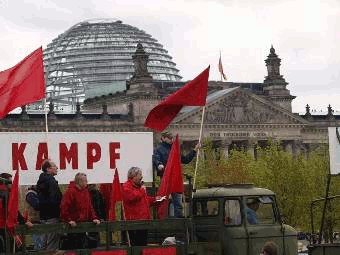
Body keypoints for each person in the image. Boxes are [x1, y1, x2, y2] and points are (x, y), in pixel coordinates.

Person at [153, 131, 200, 218]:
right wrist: (159, 165)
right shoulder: (159, 149)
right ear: (163, 138)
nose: (171, 139)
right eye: (169, 138)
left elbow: (185, 159)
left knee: (178, 203)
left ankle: (178, 221)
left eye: (172, 138)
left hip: (175, 179)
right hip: (165, 179)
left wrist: (194, 150)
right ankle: (162, 220)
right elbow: (156, 159)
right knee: (163, 201)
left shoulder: (174, 149)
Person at [122, 167, 164, 246]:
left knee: (143, 244)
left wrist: (155, 199)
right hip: (134, 223)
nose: (141, 177)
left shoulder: (139, 187)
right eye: (139, 175)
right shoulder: (126, 186)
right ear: (133, 176)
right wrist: (142, 190)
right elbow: (131, 197)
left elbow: (144, 200)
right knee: (136, 245)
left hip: (143, 221)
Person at [60, 173, 100, 249]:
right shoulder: (70, 192)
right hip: (73, 226)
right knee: (74, 247)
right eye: (85, 180)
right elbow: (64, 207)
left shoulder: (85, 191)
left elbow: (89, 207)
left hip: (83, 224)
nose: (87, 182)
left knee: (84, 246)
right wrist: (68, 220)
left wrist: (94, 218)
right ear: (80, 181)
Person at [36, 159, 62, 251]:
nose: (57, 168)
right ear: (48, 169)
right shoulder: (51, 181)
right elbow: (54, 199)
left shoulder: (41, 180)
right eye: (54, 166)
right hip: (52, 216)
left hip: (43, 216)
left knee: (43, 243)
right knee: (52, 243)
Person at [0, 173, 26, 253]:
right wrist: (23, 221)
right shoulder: (5, 193)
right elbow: (11, 210)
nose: (12, 184)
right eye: (10, 182)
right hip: (4, 226)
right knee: (9, 249)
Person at [25, 185, 43, 250]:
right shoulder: (31, 194)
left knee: (41, 243)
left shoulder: (34, 194)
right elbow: (37, 205)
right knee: (39, 244)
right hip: (35, 221)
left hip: (38, 220)